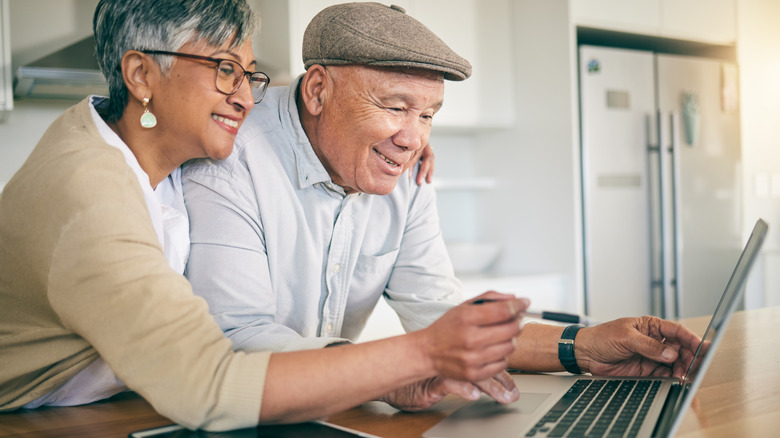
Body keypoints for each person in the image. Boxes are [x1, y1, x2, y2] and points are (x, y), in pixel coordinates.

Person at [0, 0, 529, 430]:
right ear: (141, 75)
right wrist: (412, 360)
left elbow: (298, 110)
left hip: (113, 405)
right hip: (30, 419)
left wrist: (391, 129)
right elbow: (208, 384)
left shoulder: (158, 160)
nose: (246, 99)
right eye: (224, 71)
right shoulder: (91, 192)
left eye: (248, 75)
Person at [182, 1, 702, 390]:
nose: (413, 139)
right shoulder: (232, 155)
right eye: (395, 107)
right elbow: (239, 338)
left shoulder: (402, 173)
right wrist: (394, 370)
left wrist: (583, 348)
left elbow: (440, 318)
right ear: (318, 90)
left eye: (428, 115)